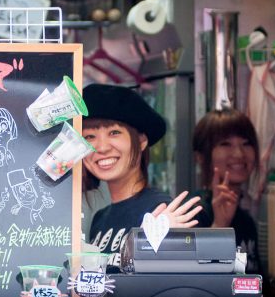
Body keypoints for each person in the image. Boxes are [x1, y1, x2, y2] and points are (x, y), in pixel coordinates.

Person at [82, 83, 202, 268]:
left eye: (114, 132)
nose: (102, 147)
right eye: (89, 136)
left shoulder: (162, 212)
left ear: (141, 140)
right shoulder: (100, 219)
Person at [192, 109, 260, 273]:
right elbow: (190, 286)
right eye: (225, 144)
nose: (239, 153)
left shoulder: (246, 221)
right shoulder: (192, 213)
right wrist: (219, 224)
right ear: (200, 156)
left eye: (246, 143)